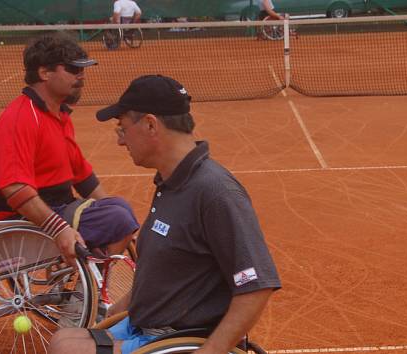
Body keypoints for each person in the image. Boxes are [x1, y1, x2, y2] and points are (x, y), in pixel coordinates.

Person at [48, 75, 281, 354]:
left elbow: (255, 287)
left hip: (175, 338)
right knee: (62, 340)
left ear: (149, 124)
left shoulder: (216, 193)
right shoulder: (170, 182)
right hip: (145, 325)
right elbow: (161, 276)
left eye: (122, 129)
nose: (121, 142)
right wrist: (111, 317)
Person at [0, 33, 139, 266]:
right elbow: (15, 187)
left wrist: (127, 227)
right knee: (117, 217)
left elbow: (83, 176)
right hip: (23, 219)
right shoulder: (20, 118)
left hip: (58, 207)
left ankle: (88, 288)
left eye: (82, 69)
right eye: (73, 69)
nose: (81, 76)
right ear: (44, 73)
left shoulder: (59, 115)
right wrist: (60, 230)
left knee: (119, 209)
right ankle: (88, 293)